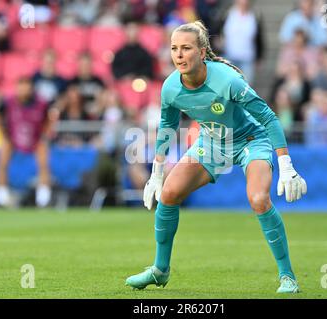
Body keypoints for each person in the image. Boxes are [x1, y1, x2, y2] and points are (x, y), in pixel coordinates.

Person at [125, 21, 307, 293]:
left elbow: (269, 118)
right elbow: (167, 128)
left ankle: (287, 276)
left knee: (258, 199)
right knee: (170, 194)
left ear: (201, 52)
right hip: (211, 143)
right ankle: (160, 270)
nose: (179, 54)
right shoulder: (171, 87)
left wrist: (286, 165)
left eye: (186, 48)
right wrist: (156, 175)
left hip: (250, 141)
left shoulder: (227, 80)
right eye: (174, 48)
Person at [0, 77, 58, 208]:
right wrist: (4, 133)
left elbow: (49, 119)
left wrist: (44, 134)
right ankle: (1, 194)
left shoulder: (41, 103)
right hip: (13, 136)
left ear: (31, 88)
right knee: (2, 160)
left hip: (35, 137)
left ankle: (43, 197)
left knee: (44, 162)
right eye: (21, 86)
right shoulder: (7, 102)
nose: (23, 90)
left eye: (26, 86)